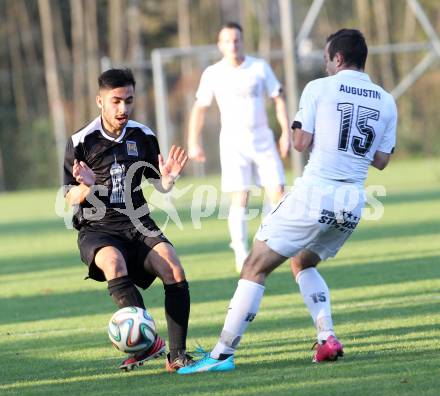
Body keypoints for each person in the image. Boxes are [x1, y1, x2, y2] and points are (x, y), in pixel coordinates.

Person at [178, 28, 397, 374]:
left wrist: (311, 130)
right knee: (302, 263)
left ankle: (221, 355)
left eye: (327, 59)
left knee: (254, 266)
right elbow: (382, 159)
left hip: (316, 192)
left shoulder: (319, 88)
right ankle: (327, 338)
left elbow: (299, 141)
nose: (325, 65)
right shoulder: (386, 99)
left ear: (338, 58)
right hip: (352, 201)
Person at [63, 68, 194, 373]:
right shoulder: (81, 141)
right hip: (98, 228)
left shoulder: (143, 136)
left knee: (174, 267)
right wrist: (87, 185)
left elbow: (159, 183)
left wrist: (169, 178)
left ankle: (177, 355)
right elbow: (69, 197)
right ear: (100, 101)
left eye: (129, 100)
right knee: (113, 264)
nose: (123, 109)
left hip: (138, 222)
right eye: (116, 101)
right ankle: (147, 343)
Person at [188, 22, 291, 272]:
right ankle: (241, 250)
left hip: (263, 139)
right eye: (227, 41)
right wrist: (193, 141)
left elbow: (278, 100)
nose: (233, 45)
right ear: (220, 45)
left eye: (237, 40)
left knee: (277, 193)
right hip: (233, 142)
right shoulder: (213, 73)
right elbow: (200, 108)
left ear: (243, 41)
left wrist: (285, 133)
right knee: (241, 196)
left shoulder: (259, 67)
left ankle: (267, 244)